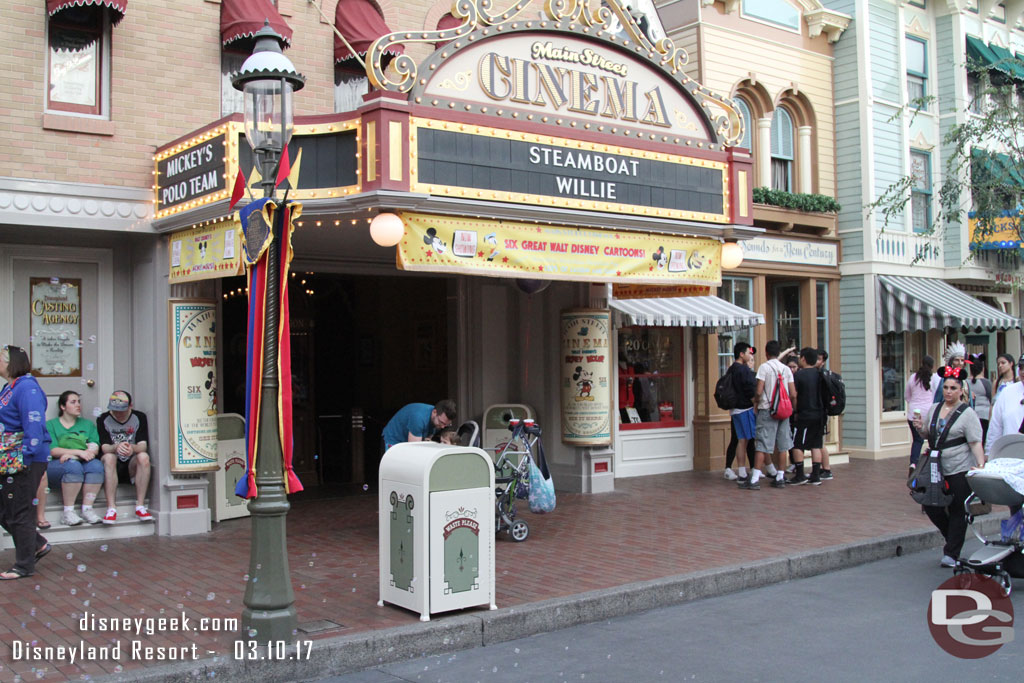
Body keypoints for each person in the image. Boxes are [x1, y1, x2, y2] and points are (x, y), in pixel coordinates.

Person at [912, 366, 986, 567]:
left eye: (953, 387)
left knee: (957, 509)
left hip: (959, 467)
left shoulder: (967, 413)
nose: (949, 391)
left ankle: (951, 553)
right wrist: (920, 428)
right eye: (946, 387)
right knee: (930, 505)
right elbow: (928, 434)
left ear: (961, 390)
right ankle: (952, 539)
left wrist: (980, 465)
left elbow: (975, 442)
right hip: (936, 466)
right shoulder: (935, 408)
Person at [0, 345, 52, 579]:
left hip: (22, 459)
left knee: (20, 511)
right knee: (5, 510)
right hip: (8, 458)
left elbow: (33, 425)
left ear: (13, 362)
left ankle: (24, 566)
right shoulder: (9, 387)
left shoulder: (27, 388)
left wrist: (25, 459)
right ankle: (37, 544)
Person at [41, 391, 104, 526]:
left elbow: (94, 447)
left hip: (79, 461)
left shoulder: (87, 425)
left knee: (96, 465)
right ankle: (68, 512)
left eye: (79, 402)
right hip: (57, 466)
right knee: (73, 465)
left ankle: (87, 509)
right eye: (73, 402)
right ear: (63, 407)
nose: (78, 405)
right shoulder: (51, 425)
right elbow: (53, 450)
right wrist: (78, 452)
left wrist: (74, 455)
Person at [740, 341, 795, 490]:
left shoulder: (764, 368)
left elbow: (759, 391)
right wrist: (792, 408)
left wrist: (756, 403)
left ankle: (755, 479)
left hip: (767, 409)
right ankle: (780, 476)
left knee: (763, 444)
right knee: (783, 445)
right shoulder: (786, 369)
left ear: (766, 352)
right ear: (778, 353)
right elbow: (793, 393)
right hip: (784, 411)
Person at [97, 390, 153, 524]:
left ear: (130, 406)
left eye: (121, 410)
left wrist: (131, 448)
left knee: (144, 456)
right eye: (115, 410)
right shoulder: (103, 418)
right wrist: (116, 447)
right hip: (113, 463)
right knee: (109, 457)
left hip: (131, 464)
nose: (118, 414)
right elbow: (104, 447)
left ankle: (140, 506)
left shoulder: (139, 417)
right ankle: (111, 509)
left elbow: (143, 445)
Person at [985, 353, 1024, 517]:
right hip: (1013, 460)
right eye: (1021, 368)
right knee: (1015, 506)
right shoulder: (1008, 393)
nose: (1023, 372)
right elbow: (995, 426)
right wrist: (989, 455)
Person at [788, 348, 825, 486]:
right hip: (819, 413)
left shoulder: (799, 375)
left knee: (797, 443)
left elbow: (794, 395)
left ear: (803, 359)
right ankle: (815, 475)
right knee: (816, 444)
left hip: (804, 413)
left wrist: (795, 409)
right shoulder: (820, 374)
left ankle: (799, 474)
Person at [723, 343, 757, 481]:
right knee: (744, 440)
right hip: (745, 408)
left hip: (735, 409)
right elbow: (750, 389)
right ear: (741, 354)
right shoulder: (743, 370)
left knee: (741, 439)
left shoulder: (731, 369)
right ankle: (742, 472)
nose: (750, 356)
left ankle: (743, 470)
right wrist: (756, 402)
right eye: (748, 353)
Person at [904, 355, 937, 475]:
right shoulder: (933, 378)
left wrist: (913, 403)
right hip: (928, 413)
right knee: (932, 439)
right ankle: (931, 464)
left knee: (917, 440)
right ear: (932, 366)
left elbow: (907, 395)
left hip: (914, 412)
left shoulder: (913, 377)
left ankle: (913, 463)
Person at [381, 399, 456, 451]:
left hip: (410, 439)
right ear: (434, 412)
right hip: (393, 439)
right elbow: (414, 449)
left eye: (446, 424)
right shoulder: (418, 418)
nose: (442, 427)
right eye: (441, 422)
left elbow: (427, 441)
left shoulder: (437, 419)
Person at [967, 354, 992, 445]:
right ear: (982, 368)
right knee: (983, 440)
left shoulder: (966, 382)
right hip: (985, 415)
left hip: (971, 414)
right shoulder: (986, 382)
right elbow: (991, 397)